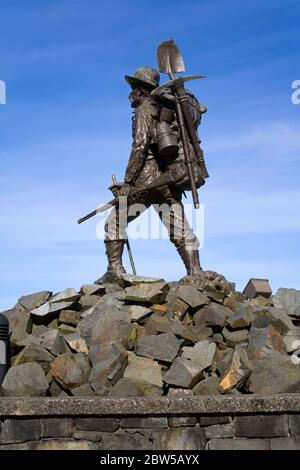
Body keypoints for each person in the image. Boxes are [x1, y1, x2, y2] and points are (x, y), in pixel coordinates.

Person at [98, 66, 203, 284]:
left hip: (145, 183)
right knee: (179, 228)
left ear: (141, 90)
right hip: (167, 180)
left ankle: (114, 271)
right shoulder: (164, 109)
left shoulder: (145, 108)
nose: (130, 96)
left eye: (133, 90)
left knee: (112, 223)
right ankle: (196, 272)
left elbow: (140, 145)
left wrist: (128, 182)